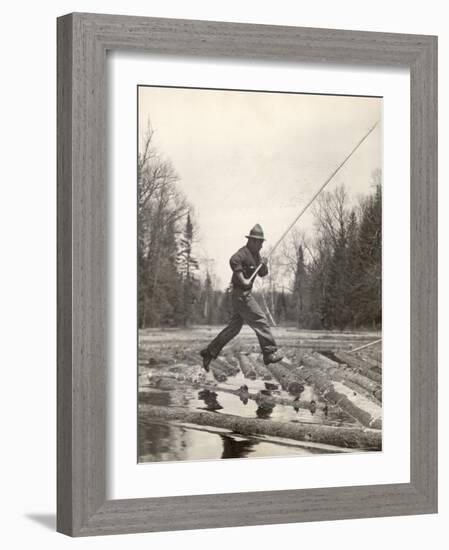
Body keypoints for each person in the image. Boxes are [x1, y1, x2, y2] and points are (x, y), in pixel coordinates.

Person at [200, 224, 283, 371]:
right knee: (260, 320)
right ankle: (269, 353)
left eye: (262, 242)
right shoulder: (243, 253)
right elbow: (233, 260)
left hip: (242, 295)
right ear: (252, 241)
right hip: (241, 295)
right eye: (259, 242)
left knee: (234, 329)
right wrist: (241, 278)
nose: (261, 244)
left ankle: (209, 352)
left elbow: (263, 273)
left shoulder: (256, 256)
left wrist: (264, 264)